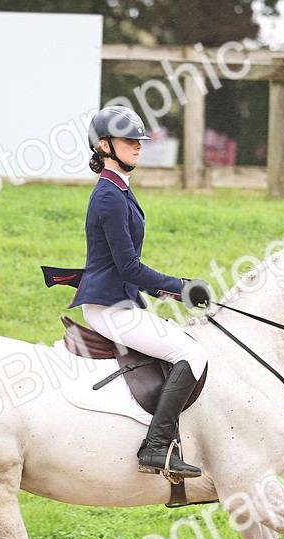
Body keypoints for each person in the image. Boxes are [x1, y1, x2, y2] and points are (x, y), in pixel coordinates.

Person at [70, 105, 211, 480]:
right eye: (128, 140)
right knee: (192, 353)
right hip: (109, 308)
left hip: (119, 300)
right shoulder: (109, 198)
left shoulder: (118, 190)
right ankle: (156, 447)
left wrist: (172, 292)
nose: (137, 146)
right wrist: (182, 288)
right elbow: (128, 267)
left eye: (139, 140)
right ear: (104, 145)